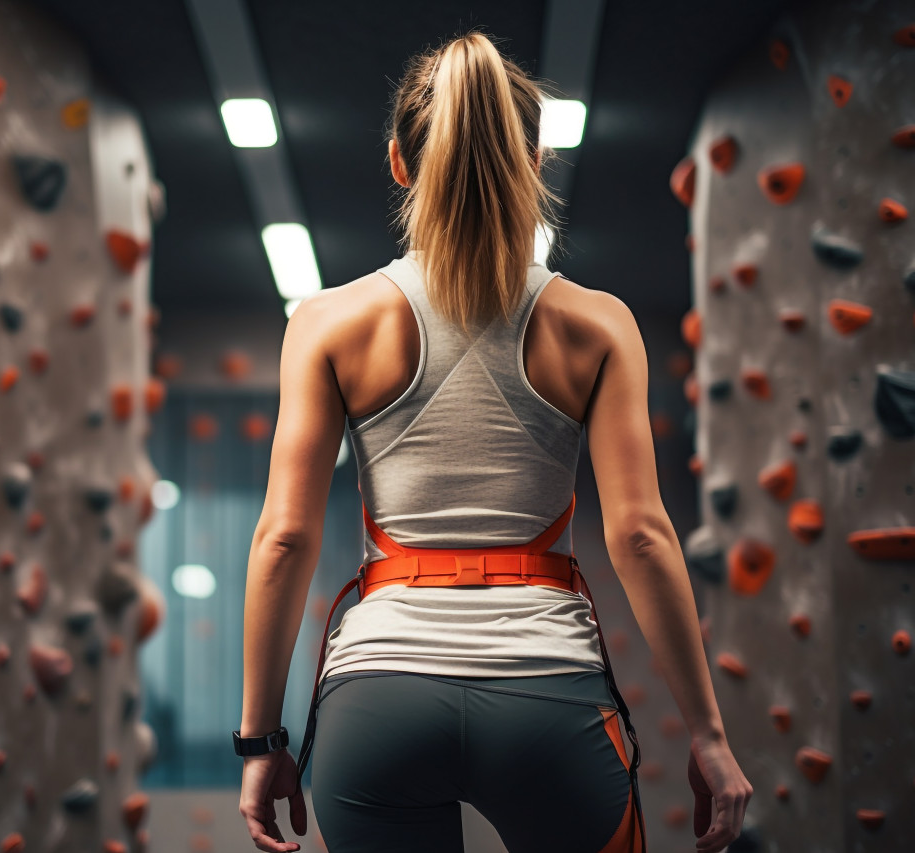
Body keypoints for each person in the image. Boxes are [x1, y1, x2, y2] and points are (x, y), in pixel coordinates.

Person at [235, 30, 752, 853]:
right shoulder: (597, 323)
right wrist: (710, 735)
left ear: (400, 165)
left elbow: (285, 536)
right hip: (551, 700)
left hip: (378, 700)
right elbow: (643, 537)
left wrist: (260, 742)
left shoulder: (329, 322)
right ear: (536, 160)